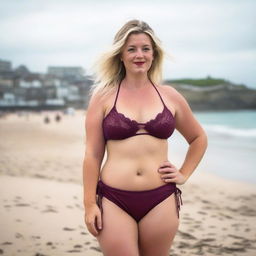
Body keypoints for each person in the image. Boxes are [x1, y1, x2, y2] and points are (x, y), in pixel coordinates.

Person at [83, 19, 208, 256]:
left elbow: (198, 137)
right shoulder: (103, 97)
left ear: (154, 54)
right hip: (114, 199)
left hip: (161, 199)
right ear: (121, 55)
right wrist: (89, 204)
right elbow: (92, 154)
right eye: (131, 49)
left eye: (145, 49)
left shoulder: (170, 96)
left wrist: (184, 174)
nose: (139, 55)